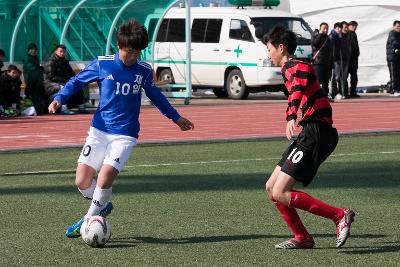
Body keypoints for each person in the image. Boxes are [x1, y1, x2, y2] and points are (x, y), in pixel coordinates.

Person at [48, 20, 194, 238]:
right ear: (118, 45)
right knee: (81, 181)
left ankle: (88, 219)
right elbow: (76, 82)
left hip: (125, 135)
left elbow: (156, 96)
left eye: (136, 53)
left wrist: (175, 117)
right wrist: (59, 98)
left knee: (105, 177)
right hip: (98, 131)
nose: (132, 57)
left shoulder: (144, 70)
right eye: (128, 52)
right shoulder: (102, 64)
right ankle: (101, 206)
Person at [263, 26, 355, 249]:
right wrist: (293, 114)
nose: (268, 54)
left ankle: (339, 215)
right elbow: (297, 87)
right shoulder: (293, 68)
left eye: (269, 49)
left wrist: (292, 114)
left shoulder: (296, 66)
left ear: (281, 48)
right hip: (311, 131)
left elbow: (298, 84)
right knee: (271, 187)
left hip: (317, 132)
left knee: (280, 191)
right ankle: (302, 238)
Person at [43, 44, 88, 114]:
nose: (62, 53)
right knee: (63, 87)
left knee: (78, 84)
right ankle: (64, 108)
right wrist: (65, 81)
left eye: (64, 52)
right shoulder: (50, 61)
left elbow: (71, 74)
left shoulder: (65, 62)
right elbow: (50, 76)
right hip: (50, 84)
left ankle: (81, 106)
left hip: (62, 82)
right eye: (60, 51)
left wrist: (75, 80)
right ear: (55, 51)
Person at [23, 42, 48, 115]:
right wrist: (39, 69)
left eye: (35, 49)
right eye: (32, 49)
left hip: (37, 78)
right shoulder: (27, 58)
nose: (34, 51)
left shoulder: (36, 57)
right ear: (29, 50)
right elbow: (30, 67)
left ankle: (43, 107)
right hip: (30, 79)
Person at [311, 22, 332, 99]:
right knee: (318, 81)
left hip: (326, 62)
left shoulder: (328, 38)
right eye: (324, 28)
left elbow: (330, 50)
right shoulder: (316, 36)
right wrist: (320, 34)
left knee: (325, 82)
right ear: (320, 29)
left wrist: (331, 62)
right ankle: (316, 97)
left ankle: (325, 97)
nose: (326, 30)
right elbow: (315, 44)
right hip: (318, 62)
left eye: (327, 28)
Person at [386, 20, 400, 97]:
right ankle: (393, 90)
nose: (399, 28)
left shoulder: (398, 34)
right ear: (394, 26)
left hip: (397, 58)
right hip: (392, 58)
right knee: (394, 74)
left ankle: (397, 89)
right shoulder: (392, 33)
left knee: (398, 74)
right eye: (397, 26)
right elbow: (395, 43)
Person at [347, 21, 360, 98]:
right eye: (352, 26)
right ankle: (346, 92)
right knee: (345, 77)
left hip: (354, 59)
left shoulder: (354, 34)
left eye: (355, 26)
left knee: (354, 77)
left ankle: (353, 91)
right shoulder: (348, 34)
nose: (354, 27)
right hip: (349, 59)